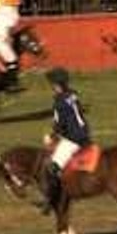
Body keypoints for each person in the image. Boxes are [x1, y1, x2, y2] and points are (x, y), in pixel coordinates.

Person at [39, 67, 91, 215]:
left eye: (53, 85)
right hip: (84, 134)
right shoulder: (73, 94)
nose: (52, 88)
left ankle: (51, 200)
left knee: (52, 167)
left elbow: (59, 125)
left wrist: (51, 137)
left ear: (58, 85)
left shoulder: (59, 102)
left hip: (74, 138)